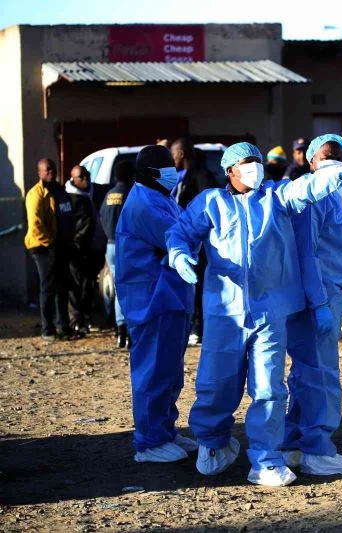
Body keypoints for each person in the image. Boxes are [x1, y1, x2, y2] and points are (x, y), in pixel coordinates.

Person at [166, 142, 342, 486]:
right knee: (216, 382)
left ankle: (266, 459)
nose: (254, 167)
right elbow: (180, 233)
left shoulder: (275, 198)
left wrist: (331, 176)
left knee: (269, 387)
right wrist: (179, 254)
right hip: (224, 312)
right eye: (246, 162)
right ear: (230, 170)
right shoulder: (210, 203)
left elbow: (303, 188)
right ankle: (213, 443)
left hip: (271, 311)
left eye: (257, 161)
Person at [282, 134, 342, 475]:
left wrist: (339, 296)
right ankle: (317, 449)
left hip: (326, 293)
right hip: (316, 297)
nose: (332, 159)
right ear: (310, 161)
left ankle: (293, 443)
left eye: (337, 154)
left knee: (307, 374)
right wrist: (319, 303)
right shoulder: (312, 196)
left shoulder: (329, 195)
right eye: (325, 154)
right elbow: (308, 255)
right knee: (320, 375)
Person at [115, 144, 196, 463]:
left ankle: (165, 431)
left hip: (169, 296)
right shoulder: (143, 204)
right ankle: (149, 442)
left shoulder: (160, 197)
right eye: (166, 167)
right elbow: (181, 235)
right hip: (152, 299)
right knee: (153, 371)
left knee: (170, 371)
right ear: (150, 172)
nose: (172, 173)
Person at [171, 137, 217, 346]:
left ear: (181, 154)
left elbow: (209, 207)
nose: (172, 159)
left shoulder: (201, 176)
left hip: (201, 242)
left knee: (198, 287)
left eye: (173, 154)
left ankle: (199, 327)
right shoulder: (183, 176)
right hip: (186, 239)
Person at [24, 158, 74, 341]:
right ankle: (47, 329)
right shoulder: (36, 194)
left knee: (63, 287)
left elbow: (68, 215)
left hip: (61, 246)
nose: (51, 172)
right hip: (43, 247)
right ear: (40, 173)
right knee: (48, 287)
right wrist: (52, 245)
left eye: (53, 169)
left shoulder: (60, 191)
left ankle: (64, 326)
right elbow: (36, 225)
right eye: (47, 170)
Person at [99, 160, 135, 348]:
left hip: (110, 245)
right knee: (130, 288)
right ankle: (128, 330)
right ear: (130, 175)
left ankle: (120, 329)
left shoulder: (108, 195)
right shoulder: (130, 194)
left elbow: (102, 218)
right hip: (126, 246)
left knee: (118, 286)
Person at [65, 165, 97, 337]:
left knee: (88, 285)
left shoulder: (92, 193)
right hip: (76, 248)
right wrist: (75, 243)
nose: (86, 179)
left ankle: (85, 317)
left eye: (87, 175)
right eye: (81, 177)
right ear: (73, 179)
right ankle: (75, 320)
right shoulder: (69, 198)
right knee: (75, 286)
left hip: (90, 248)